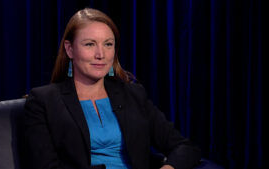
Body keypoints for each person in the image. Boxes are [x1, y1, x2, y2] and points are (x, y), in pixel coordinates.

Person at [24, 8, 201, 169]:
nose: (101, 54)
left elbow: (185, 147)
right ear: (70, 50)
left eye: (108, 44)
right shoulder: (43, 101)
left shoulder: (133, 94)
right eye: (90, 44)